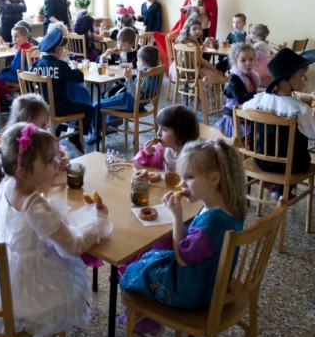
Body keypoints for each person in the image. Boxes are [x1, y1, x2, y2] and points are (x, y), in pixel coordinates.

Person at [0, 122, 110, 335]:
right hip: (26, 287)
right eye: (49, 160)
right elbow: (73, 247)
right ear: (23, 172)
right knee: (71, 280)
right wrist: (99, 223)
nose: (57, 162)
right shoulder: (37, 207)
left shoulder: (9, 184)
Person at [120, 140, 246, 314]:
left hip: (193, 292)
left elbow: (181, 258)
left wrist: (177, 216)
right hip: (211, 280)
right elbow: (192, 243)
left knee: (138, 270)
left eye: (189, 177)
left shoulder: (213, 222)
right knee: (151, 257)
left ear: (214, 178)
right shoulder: (225, 205)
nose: (181, 185)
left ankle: (144, 320)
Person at [242, 48, 315, 200]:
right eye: (301, 76)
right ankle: (283, 191)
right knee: (296, 151)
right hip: (292, 166)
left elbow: (243, 107)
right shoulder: (299, 109)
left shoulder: (260, 99)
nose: (306, 79)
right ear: (285, 80)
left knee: (278, 146)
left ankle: (278, 188)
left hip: (262, 161)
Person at [31, 26, 95, 151]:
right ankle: (75, 136)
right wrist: (74, 67)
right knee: (90, 109)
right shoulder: (60, 65)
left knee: (71, 106)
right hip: (60, 107)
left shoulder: (37, 64)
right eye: (62, 48)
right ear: (57, 49)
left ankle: (57, 132)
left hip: (43, 106)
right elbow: (79, 78)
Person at [87, 45, 161, 145]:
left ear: (142, 62)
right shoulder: (154, 72)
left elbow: (137, 95)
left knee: (96, 105)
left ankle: (95, 133)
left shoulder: (145, 76)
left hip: (129, 102)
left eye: (138, 60)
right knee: (112, 97)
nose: (137, 63)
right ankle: (113, 125)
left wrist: (128, 79)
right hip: (140, 103)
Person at [7, 94, 69, 172]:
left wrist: (65, 158)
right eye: (34, 127)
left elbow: (61, 151)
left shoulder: (46, 140)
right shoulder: (18, 149)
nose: (41, 131)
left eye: (44, 124)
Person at [214, 42, 259, 138]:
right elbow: (240, 97)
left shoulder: (249, 76)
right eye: (243, 60)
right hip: (234, 120)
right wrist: (258, 97)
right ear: (235, 62)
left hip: (245, 116)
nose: (248, 63)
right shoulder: (234, 78)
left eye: (251, 59)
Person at [134, 105, 200, 171]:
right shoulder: (161, 150)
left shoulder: (192, 160)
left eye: (164, 129)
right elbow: (137, 165)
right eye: (159, 128)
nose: (158, 133)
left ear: (181, 135)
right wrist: (146, 154)